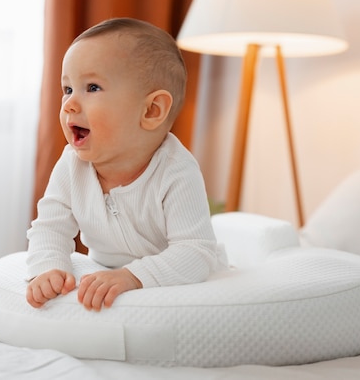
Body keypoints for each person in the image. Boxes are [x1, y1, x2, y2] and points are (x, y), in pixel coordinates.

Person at [26, 17, 227, 312]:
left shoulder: (175, 170)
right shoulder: (72, 165)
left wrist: (133, 276)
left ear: (151, 110)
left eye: (92, 87)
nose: (68, 104)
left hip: (173, 286)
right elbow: (50, 228)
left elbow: (196, 253)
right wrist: (48, 268)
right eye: (68, 89)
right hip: (106, 273)